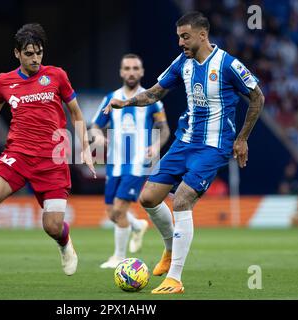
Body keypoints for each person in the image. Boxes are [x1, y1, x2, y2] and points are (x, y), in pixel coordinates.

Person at [104, 11, 265, 294]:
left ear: (203, 35)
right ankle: (169, 249)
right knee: (148, 197)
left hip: (214, 146)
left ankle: (175, 278)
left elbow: (257, 97)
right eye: (178, 36)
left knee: (182, 200)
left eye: (185, 36)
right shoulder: (183, 63)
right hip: (184, 141)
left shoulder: (228, 65)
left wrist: (242, 139)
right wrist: (126, 102)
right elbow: (154, 93)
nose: (180, 42)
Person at [0, 23, 95, 285]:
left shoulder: (56, 76)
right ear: (17, 53)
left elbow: (76, 113)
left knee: (52, 227)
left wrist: (87, 149)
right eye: (29, 53)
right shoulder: (4, 81)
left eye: (39, 52)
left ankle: (65, 241)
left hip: (52, 159)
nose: (35, 58)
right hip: (18, 154)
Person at [91, 54, 170, 268]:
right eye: (127, 68)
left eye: (136, 67)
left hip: (137, 164)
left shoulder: (151, 99)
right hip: (115, 163)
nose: (132, 71)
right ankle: (137, 225)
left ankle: (118, 257)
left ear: (142, 72)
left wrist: (155, 146)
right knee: (112, 213)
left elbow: (164, 129)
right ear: (121, 72)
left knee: (118, 210)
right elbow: (96, 125)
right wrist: (97, 135)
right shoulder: (110, 98)